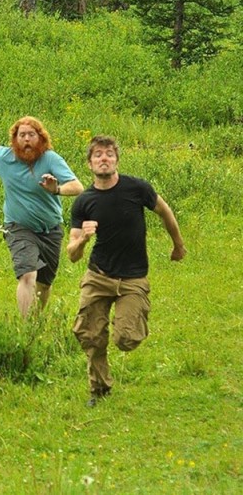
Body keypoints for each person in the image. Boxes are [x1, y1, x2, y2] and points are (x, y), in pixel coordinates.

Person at [66, 136, 186, 407]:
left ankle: (133, 317)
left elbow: (164, 211)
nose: (104, 158)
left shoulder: (137, 188)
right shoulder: (84, 201)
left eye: (109, 154)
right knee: (90, 335)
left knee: (126, 338)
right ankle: (99, 388)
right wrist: (83, 240)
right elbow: (72, 254)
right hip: (98, 276)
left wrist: (178, 245)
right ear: (90, 163)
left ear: (117, 160)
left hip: (133, 277)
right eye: (98, 155)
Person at [0, 116, 84, 317]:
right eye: (21, 135)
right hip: (18, 226)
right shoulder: (4, 157)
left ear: (40, 138)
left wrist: (56, 189)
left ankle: (34, 322)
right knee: (28, 274)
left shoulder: (50, 159)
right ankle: (24, 330)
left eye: (31, 135)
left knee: (44, 283)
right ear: (14, 139)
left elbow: (77, 187)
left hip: (50, 229)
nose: (26, 139)